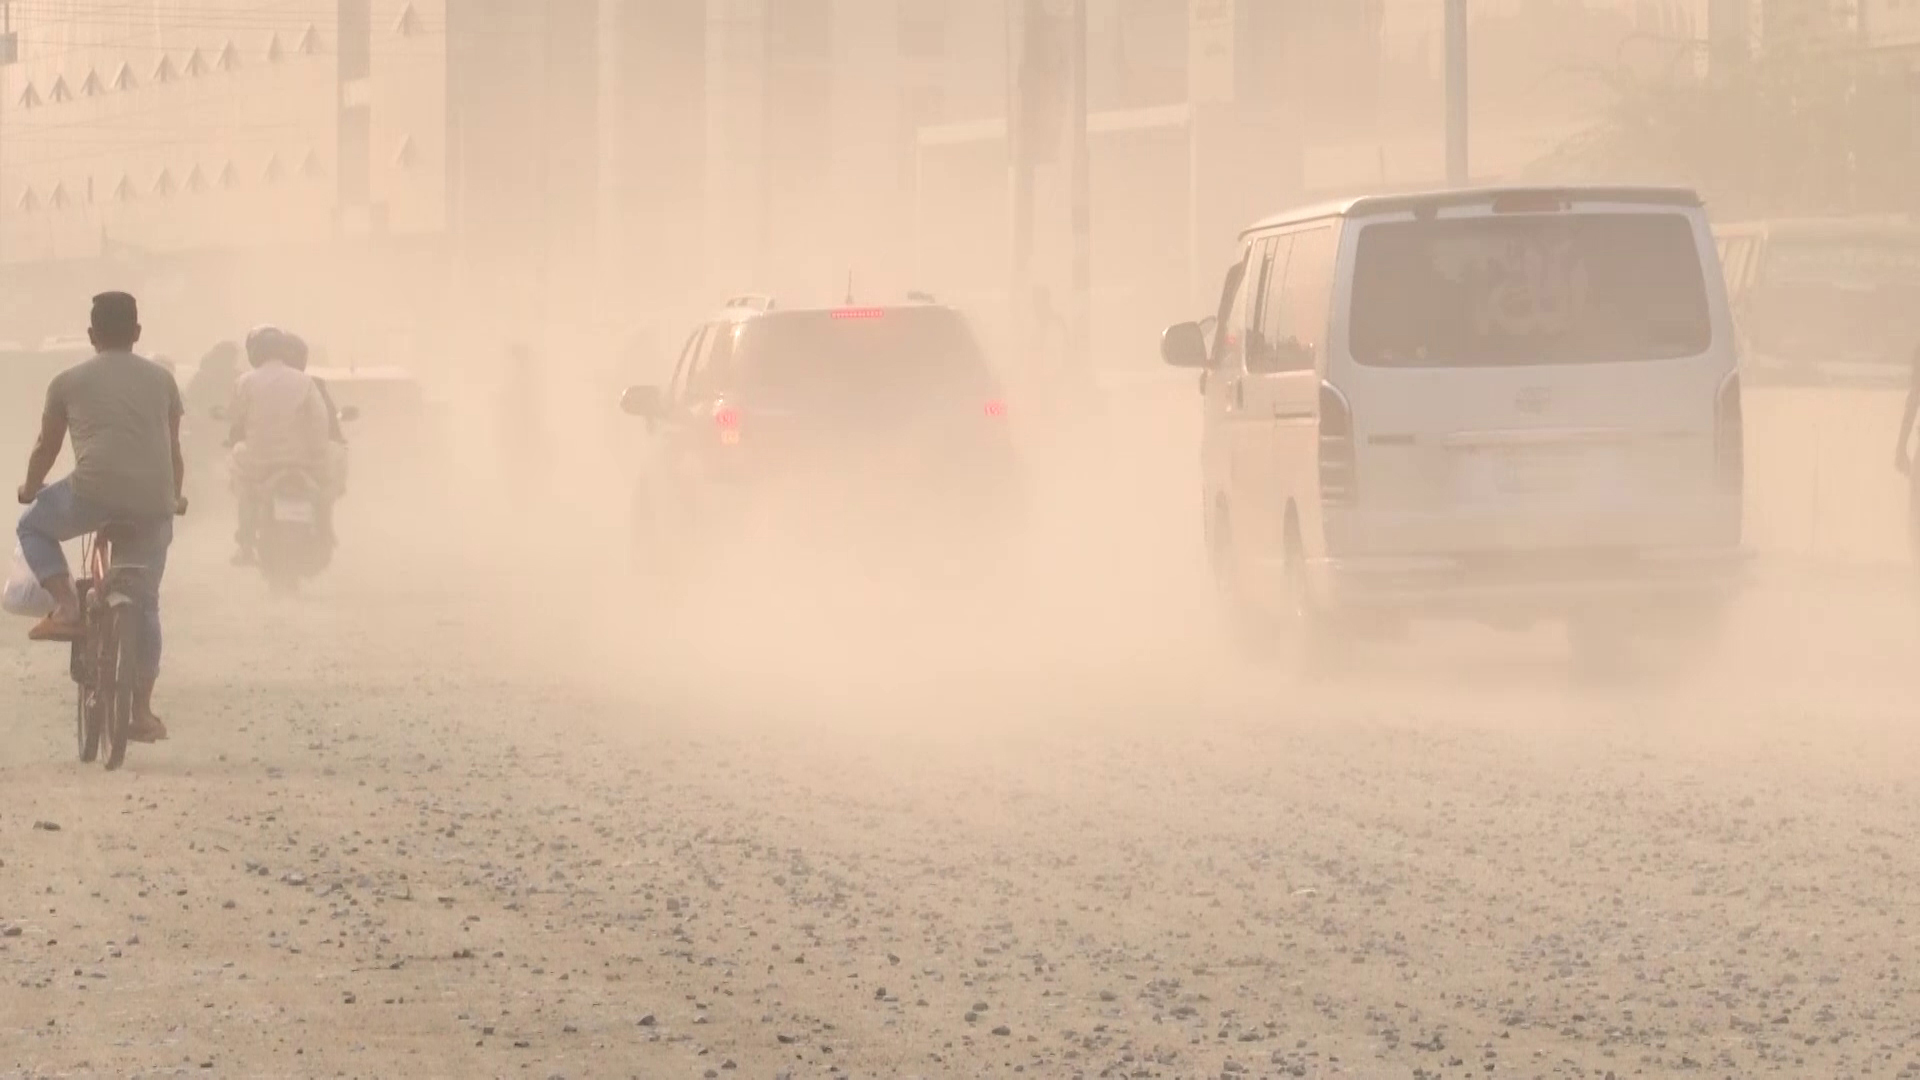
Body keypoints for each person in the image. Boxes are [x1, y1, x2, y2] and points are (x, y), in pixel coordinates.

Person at [15, 292, 185, 744]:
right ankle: (141, 711)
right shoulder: (164, 381)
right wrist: (176, 497)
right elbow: (173, 449)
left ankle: (67, 605)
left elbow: (46, 448)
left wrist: (30, 488)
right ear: (137, 333)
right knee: (146, 601)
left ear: (91, 335)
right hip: (153, 501)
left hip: (91, 495)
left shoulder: (67, 381)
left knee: (31, 525)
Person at [227, 325, 330, 564]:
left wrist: (235, 436)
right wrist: (316, 451)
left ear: (255, 352)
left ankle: (245, 544)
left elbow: (235, 417)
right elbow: (319, 420)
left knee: (243, 486)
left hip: (257, 462)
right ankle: (322, 532)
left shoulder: (245, 381)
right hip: (300, 460)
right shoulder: (304, 381)